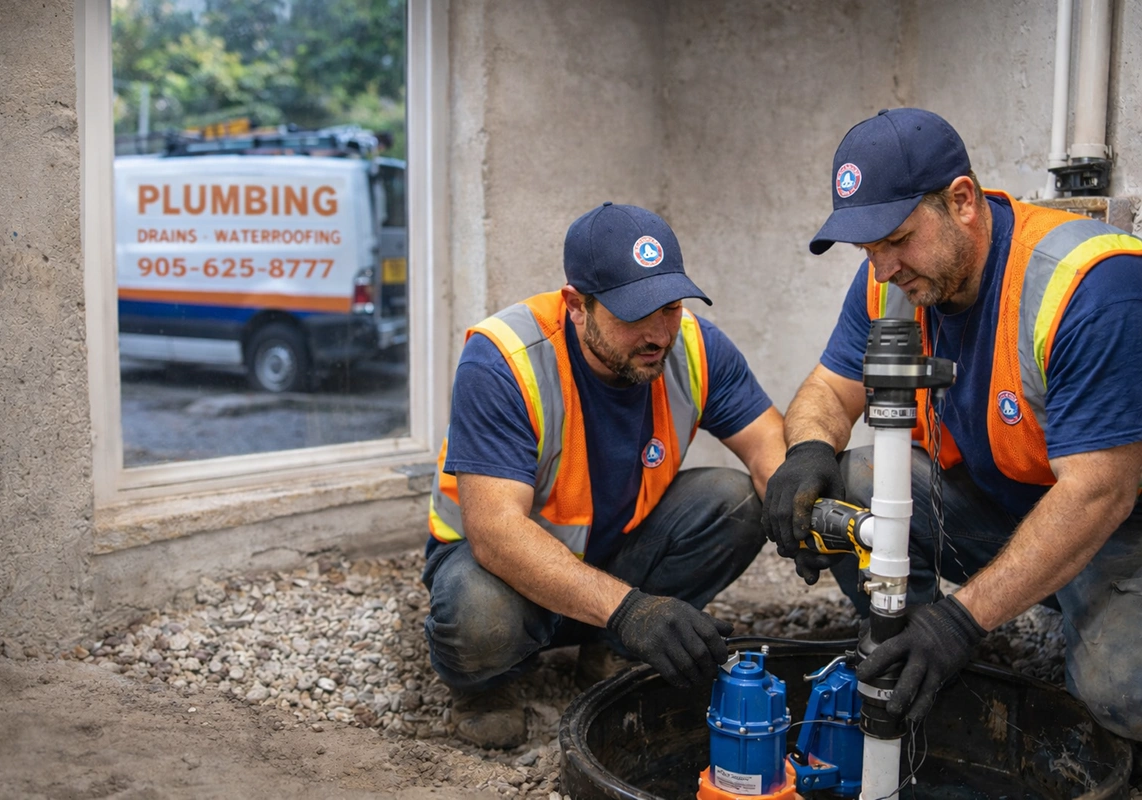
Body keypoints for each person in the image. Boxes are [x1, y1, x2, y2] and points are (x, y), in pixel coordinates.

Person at [764, 107, 1142, 741]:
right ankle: (910, 653)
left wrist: (960, 623)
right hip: (1010, 508)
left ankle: (974, 626)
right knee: (852, 477)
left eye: (896, 239)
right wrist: (806, 452)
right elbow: (829, 389)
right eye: (868, 249)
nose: (882, 268)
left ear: (962, 201)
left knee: (1124, 696)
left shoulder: (1093, 289)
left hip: (1119, 528)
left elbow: (1099, 493)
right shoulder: (894, 281)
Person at [423, 202, 785, 748]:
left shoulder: (693, 346)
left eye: (670, 307)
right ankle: (487, 684)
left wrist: (798, 511)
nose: (659, 334)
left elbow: (767, 446)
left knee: (735, 499)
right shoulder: (504, 361)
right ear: (577, 305)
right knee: (477, 612)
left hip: (612, 555)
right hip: (502, 570)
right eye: (634, 314)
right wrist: (631, 611)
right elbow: (495, 533)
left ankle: (609, 650)